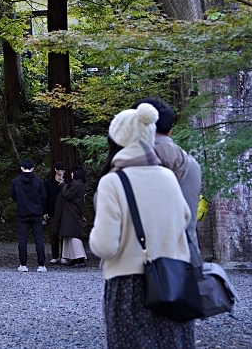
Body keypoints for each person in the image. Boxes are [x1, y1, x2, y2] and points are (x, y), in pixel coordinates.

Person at [90, 103, 194, 349]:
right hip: (174, 279)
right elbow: (185, 220)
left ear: (116, 138)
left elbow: (104, 246)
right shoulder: (168, 176)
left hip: (128, 286)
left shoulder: (112, 182)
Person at [133, 98, 203, 247]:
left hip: (136, 262)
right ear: (170, 131)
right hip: (185, 260)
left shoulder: (130, 162)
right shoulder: (191, 164)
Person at [10, 158, 47, 273]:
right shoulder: (38, 181)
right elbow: (43, 196)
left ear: (21, 167)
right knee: (39, 239)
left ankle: (23, 264)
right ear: (33, 168)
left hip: (22, 213)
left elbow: (13, 196)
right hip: (36, 213)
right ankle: (41, 265)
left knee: (23, 240)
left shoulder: (16, 181)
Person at [56, 167, 87, 266]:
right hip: (71, 211)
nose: (71, 174)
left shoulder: (77, 184)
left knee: (73, 235)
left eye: (72, 173)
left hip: (72, 212)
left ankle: (80, 258)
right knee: (69, 234)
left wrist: (63, 185)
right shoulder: (78, 184)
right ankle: (74, 258)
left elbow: (67, 194)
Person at [43, 162, 66, 264]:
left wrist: (63, 184)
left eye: (64, 170)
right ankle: (55, 255)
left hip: (64, 211)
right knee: (53, 234)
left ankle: (64, 256)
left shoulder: (67, 182)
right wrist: (44, 211)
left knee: (65, 234)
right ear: (56, 170)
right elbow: (44, 198)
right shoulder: (48, 183)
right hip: (52, 211)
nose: (63, 172)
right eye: (61, 170)